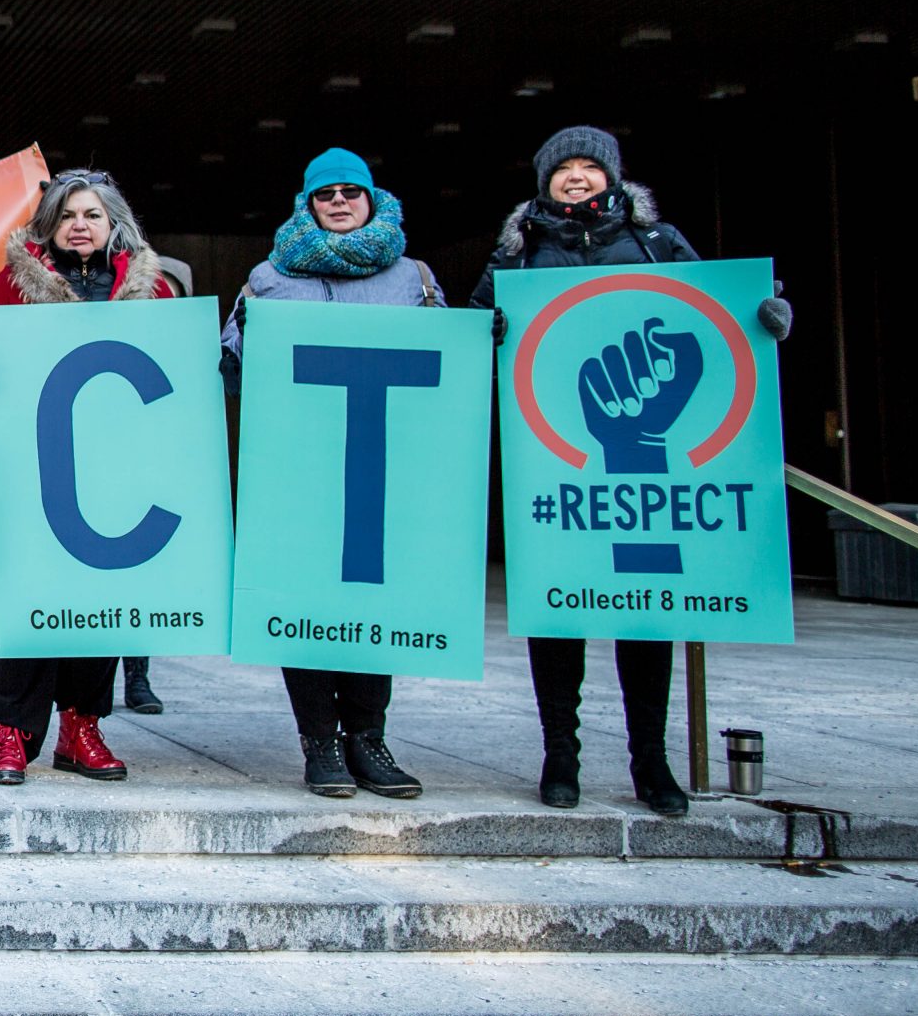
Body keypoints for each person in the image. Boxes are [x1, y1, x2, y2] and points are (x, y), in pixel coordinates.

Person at [472, 125, 792, 817]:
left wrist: (769, 313)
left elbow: (719, 310)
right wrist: (487, 329)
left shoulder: (657, 244)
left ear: (613, 178)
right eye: (565, 169)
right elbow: (472, 330)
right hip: (552, 460)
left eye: (590, 166)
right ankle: (561, 755)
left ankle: (653, 760)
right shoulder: (517, 254)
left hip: (647, 468)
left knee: (646, 612)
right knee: (558, 610)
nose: (578, 177)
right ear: (544, 181)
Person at [221, 147, 443, 799]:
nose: (340, 200)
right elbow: (229, 372)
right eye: (326, 194)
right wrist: (237, 334)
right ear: (307, 205)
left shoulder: (415, 277)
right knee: (305, 603)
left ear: (373, 198)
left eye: (352, 190)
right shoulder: (267, 278)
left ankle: (368, 739)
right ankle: (320, 741)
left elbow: (443, 369)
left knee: (375, 601)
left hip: (382, 469)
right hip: (298, 470)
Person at [0, 168, 175, 787]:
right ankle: (12, 731)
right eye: (68, 215)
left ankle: (82, 727)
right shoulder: (14, 283)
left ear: (114, 224)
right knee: (31, 602)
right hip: (35, 470)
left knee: (99, 605)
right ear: (49, 224)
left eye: (93, 216)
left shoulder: (148, 290)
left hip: (114, 473)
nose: (80, 226)